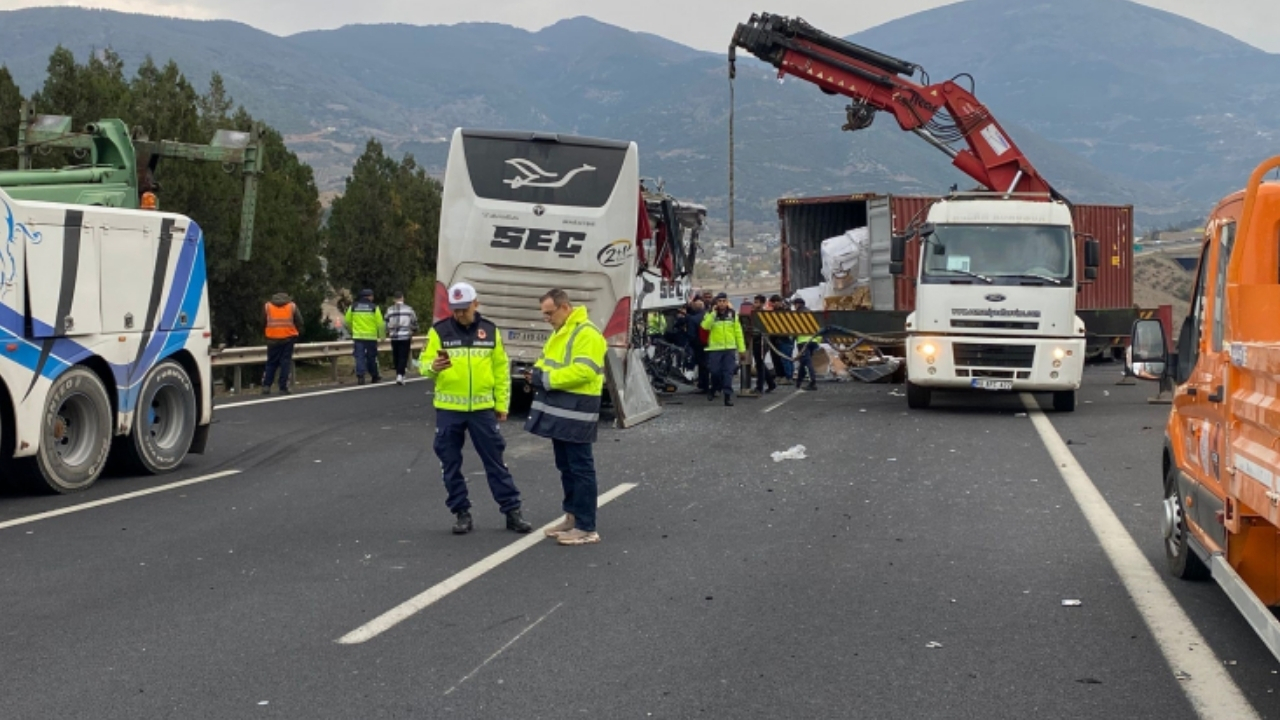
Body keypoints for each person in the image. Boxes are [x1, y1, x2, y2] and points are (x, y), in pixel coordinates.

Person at [420, 282, 531, 535]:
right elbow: (424, 364)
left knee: (495, 461)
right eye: (455, 309)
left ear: (476, 304)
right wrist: (432, 367)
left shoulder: (490, 331)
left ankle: (512, 511)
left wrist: (502, 404)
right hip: (449, 409)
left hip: (482, 409)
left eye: (464, 309)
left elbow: (501, 371)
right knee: (450, 463)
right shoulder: (440, 331)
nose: (459, 314)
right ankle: (461, 512)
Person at [526, 289, 607, 546]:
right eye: (544, 314)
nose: (547, 318)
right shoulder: (560, 333)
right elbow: (545, 361)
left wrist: (546, 379)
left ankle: (586, 526)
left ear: (565, 307)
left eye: (550, 313)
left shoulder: (587, 333)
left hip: (579, 409)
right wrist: (536, 373)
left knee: (581, 467)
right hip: (561, 409)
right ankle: (572, 516)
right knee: (566, 466)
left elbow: (585, 370)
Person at [700, 292, 746, 406]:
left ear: (727, 302)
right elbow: (705, 326)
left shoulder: (732, 314)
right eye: (719, 301)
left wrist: (741, 349)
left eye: (724, 301)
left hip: (729, 349)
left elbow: (738, 332)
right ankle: (714, 388)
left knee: (728, 373)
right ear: (716, 303)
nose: (722, 304)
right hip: (715, 349)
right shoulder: (710, 314)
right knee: (715, 372)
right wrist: (713, 314)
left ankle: (727, 396)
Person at [262, 292, 303, 395]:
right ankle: (283, 387)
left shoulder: (268, 306)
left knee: (271, 362)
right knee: (285, 362)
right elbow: (300, 321)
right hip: (288, 338)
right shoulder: (292, 306)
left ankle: (267, 385)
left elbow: (262, 321)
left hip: (272, 338)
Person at [345, 288, 386, 385]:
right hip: (371, 337)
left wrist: (352, 330)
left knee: (359, 356)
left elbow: (347, 321)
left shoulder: (353, 307)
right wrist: (382, 336)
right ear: (370, 297)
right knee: (371, 357)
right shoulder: (374, 307)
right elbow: (380, 324)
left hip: (358, 337)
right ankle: (374, 376)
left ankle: (360, 376)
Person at [385, 291, 420, 385]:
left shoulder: (389, 310)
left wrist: (388, 331)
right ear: (402, 298)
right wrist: (414, 330)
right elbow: (414, 322)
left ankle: (399, 373)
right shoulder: (409, 309)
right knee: (403, 356)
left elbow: (386, 322)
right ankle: (400, 375)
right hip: (405, 336)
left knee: (396, 355)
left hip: (394, 336)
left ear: (394, 299)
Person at [749, 294, 776, 394]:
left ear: (762, 303)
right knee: (760, 363)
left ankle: (759, 387)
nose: (754, 304)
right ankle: (771, 383)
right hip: (756, 340)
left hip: (761, 341)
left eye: (756, 302)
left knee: (759, 364)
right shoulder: (754, 313)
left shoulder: (763, 314)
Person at [792, 297, 819, 391]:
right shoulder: (811, 313)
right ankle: (799, 382)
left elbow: (794, 328)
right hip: (813, 340)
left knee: (806, 362)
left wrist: (793, 337)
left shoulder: (798, 314)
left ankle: (812, 382)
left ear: (797, 304)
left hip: (803, 341)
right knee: (803, 362)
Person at [768, 294, 794, 383]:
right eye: (773, 303)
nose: (774, 304)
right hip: (774, 338)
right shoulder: (773, 312)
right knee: (776, 358)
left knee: (785, 357)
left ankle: (787, 376)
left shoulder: (785, 311)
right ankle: (780, 375)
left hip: (784, 338)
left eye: (775, 302)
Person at [685, 298, 709, 393]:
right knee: (708, 365)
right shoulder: (708, 316)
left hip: (698, 345)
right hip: (710, 343)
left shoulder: (693, 319)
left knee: (701, 365)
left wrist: (692, 344)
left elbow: (691, 335)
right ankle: (708, 385)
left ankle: (703, 385)